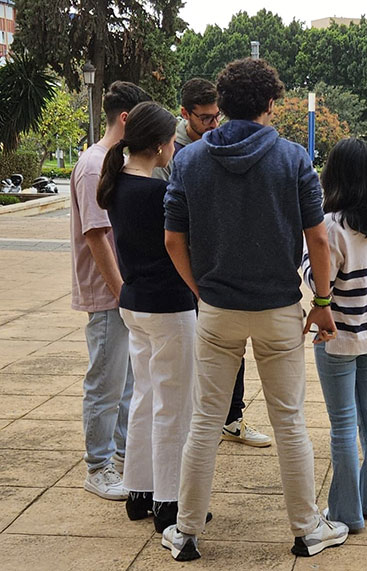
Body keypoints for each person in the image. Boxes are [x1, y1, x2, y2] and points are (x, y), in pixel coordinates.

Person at [161, 57, 348, 561]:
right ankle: (307, 529)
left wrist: (200, 290)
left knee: (204, 421)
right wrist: (324, 303)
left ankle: (186, 532)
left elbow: (173, 239)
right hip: (279, 308)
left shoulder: (189, 159)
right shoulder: (293, 159)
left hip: (217, 307)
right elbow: (318, 240)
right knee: (289, 421)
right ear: (271, 103)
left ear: (220, 105)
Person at [96, 101, 199, 532]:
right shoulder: (161, 193)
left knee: (143, 399)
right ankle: (169, 503)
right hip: (169, 306)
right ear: (160, 145)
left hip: (135, 302)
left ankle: (139, 492)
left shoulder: (115, 185)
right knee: (174, 407)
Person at [153, 77, 270, 448]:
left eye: (216, 116)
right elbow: (170, 227)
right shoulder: (172, 152)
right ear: (184, 114)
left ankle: (231, 418)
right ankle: (203, 420)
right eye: (204, 118)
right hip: (187, 270)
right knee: (198, 355)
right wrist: (195, 285)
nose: (213, 125)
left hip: (218, 270)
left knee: (230, 349)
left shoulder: (218, 143)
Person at [302, 138, 367, 533]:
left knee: (342, 425)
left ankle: (345, 512)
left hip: (337, 335)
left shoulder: (332, 226)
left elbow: (316, 278)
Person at [69, 81, 151, 500]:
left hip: (123, 291)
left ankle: (119, 458)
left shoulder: (112, 162)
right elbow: (97, 237)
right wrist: (122, 293)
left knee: (127, 382)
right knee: (105, 381)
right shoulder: (92, 165)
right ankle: (98, 465)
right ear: (125, 119)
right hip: (108, 294)